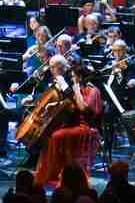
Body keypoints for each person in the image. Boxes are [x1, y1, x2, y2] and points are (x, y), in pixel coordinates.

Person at [32, 57, 101, 188]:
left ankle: (59, 173)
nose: (72, 79)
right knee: (48, 135)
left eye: (74, 77)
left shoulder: (93, 90)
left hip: (85, 127)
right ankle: (49, 173)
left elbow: (83, 108)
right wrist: (55, 104)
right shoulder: (79, 88)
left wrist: (76, 90)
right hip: (73, 123)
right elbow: (70, 103)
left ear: (80, 77)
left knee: (56, 136)